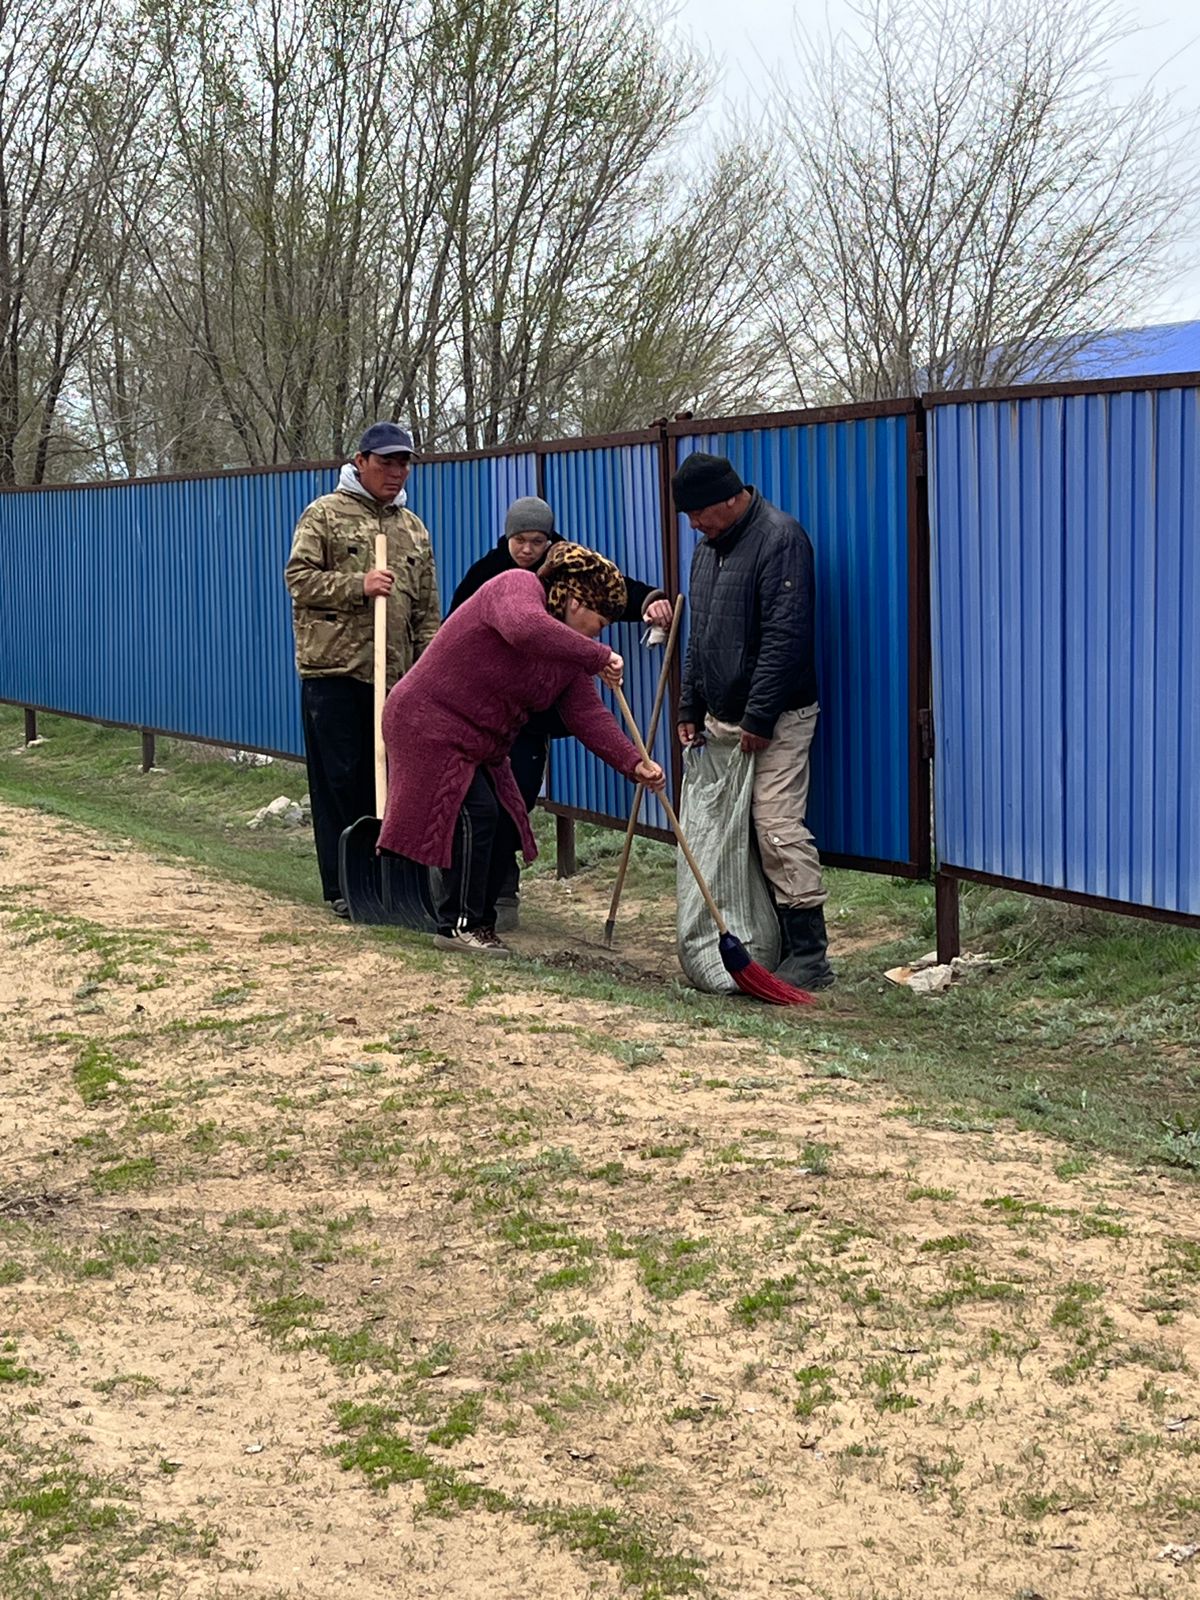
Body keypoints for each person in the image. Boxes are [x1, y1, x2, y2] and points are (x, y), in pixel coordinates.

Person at [378, 543, 665, 958]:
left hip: (479, 739)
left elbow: (587, 715)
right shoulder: (517, 585)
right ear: (575, 600)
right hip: (429, 720)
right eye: (600, 623)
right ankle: (458, 925)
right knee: (476, 813)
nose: (598, 634)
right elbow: (524, 628)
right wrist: (598, 655)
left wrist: (634, 763)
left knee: (505, 819)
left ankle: (481, 923)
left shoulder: (567, 654)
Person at [449, 495, 673, 927]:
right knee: (481, 804)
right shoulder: (490, 574)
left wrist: (648, 600)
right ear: (507, 538)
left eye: (537, 541)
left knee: (519, 798)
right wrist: (594, 655)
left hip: (534, 715)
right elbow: (491, 628)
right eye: (520, 540)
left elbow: (609, 593)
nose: (527, 550)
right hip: (487, 709)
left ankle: (499, 885)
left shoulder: (568, 569)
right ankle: (473, 897)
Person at [672, 451, 835, 989]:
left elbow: (786, 639)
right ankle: (762, 941)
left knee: (775, 826)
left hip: (778, 718)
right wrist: (689, 705)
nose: (693, 525)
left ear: (727, 498)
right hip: (723, 720)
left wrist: (760, 718)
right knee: (729, 831)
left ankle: (809, 953)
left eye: (697, 513)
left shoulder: (780, 539)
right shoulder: (707, 551)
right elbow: (699, 635)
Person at [284, 421, 440, 918]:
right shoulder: (325, 515)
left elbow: (426, 612)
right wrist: (359, 585)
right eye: (386, 462)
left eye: (403, 463)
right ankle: (344, 885)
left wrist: (428, 675)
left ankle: (392, 883)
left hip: (396, 679)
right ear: (361, 462)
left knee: (396, 782)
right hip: (335, 671)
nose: (396, 472)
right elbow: (298, 579)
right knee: (342, 781)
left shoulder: (413, 528)